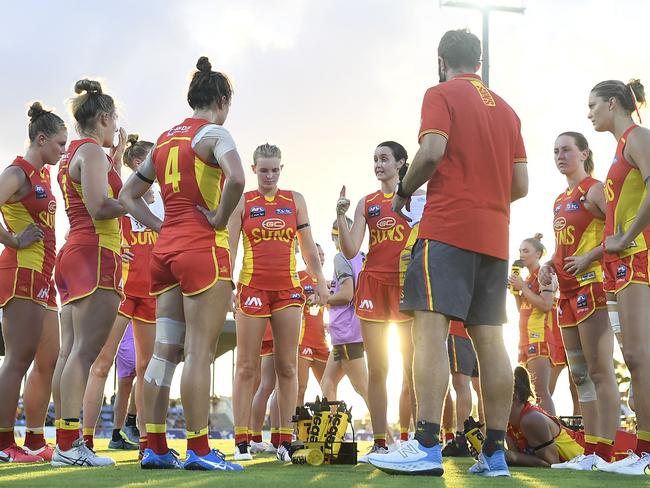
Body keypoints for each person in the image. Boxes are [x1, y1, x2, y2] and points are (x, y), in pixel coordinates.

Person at [370, 29, 528, 477]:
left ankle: (424, 444)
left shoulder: (440, 93)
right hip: (494, 235)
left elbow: (432, 150)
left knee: (429, 330)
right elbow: (521, 185)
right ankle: (495, 455)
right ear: (478, 61)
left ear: (442, 60)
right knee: (491, 338)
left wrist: (402, 191)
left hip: (448, 230)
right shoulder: (509, 111)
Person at [119, 56, 245, 471]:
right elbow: (238, 179)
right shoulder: (215, 133)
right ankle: (200, 449)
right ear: (222, 99)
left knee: (162, 353)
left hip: (166, 253)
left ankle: (153, 445)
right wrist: (219, 217)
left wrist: (159, 226)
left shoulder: (164, 139)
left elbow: (127, 194)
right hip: (202, 252)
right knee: (198, 353)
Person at [228, 142, 327, 463]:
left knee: (287, 366)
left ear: (281, 169)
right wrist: (227, 284)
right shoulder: (242, 202)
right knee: (246, 367)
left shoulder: (294, 200)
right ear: (254, 169)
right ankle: (241, 439)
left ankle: (284, 440)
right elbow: (229, 247)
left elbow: (308, 248)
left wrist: (321, 281)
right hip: (252, 288)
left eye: (275, 169)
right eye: (264, 170)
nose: (269, 175)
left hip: (288, 291)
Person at [53, 79, 127, 468]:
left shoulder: (76, 153)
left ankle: (63, 444)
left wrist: (117, 157)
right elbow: (100, 206)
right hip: (95, 252)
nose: (116, 128)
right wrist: (131, 201)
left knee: (70, 353)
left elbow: (90, 195)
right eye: (114, 121)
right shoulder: (93, 152)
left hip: (73, 251)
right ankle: (69, 446)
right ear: (103, 117)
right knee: (83, 353)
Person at [538, 131, 620, 471]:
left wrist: (590, 257)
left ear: (585, 153)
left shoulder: (596, 189)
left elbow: (618, 234)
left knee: (601, 371)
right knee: (580, 376)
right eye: (556, 150)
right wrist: (547, 265)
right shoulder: (560, 199)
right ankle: (590, 451)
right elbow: (563, 247)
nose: (560, 155)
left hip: (593, 288)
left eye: (567, 150)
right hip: (566, 295)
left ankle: (608, 452)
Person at [335, 141, 421, 458]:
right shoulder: (366, 203)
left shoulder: (417, 198)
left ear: (401, 163)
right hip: (372, 287)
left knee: (413, 370)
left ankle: (418, 439)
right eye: (375, 159)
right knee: (378, 369)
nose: (378, 164)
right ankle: (380, 441)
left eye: (384, 159)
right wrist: (341, 217)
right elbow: (350, 250)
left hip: (406, 287)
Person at [81, 134, 161, 454]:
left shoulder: (168, 199)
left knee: (146, 369)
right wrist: (117, 250)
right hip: (121, 289)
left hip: (154, 292)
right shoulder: (120, 195)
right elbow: (93, 225)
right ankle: (84, 440)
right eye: (156, 160)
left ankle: (146, 443)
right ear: (140, 164)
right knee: (101, 363)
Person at [589, 79, 650, 475]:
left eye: (593, 104)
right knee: (634, 357)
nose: (589, 112)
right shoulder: (619, 146)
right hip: (621, 262)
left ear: (613, 103)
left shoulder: (637, 135)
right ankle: (642, 449)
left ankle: (645, 453)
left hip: (639, 255)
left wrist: (627, 236)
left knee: (639, 357)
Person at [0, 102, 66, 462]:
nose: (63, 151)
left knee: (48, 359)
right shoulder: (19, 171)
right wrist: (11, 239)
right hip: (21, 272)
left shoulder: (43, 176)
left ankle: (36, 440)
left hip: (45, 277)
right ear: (40, 140)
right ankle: (3, 444)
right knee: (18, 359)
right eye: (59, 144)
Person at [509, 234, 561, 415]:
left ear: (538, 254)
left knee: (541, 392)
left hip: (540, 336)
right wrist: (517, 292)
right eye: (520, 251)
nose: (522, 255)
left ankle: (554, 433)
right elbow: (522, 309)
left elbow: (546, 305)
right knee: (525, 393)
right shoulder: (528, 277)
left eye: (526, 251)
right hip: (524, 338)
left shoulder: (545, 273)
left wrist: (522, 287)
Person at [319, 219, 369, 412]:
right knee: (327, 382)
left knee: (363, 388)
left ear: (335, 237)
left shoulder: (341, 258)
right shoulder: (362, 257)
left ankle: (386, 439)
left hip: (347, 331)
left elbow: (347, 294)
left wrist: (323, 299)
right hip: (354, 329)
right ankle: (333, 435)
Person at [442, 320, 483, 457]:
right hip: (478, 329)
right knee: (479, 387)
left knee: (461, 382)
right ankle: (483, 438)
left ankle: (461, 438)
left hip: (459, 328)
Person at [297, 244, 329, 407]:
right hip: (303, 341)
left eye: (323, 255)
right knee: (300, 388)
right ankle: (294, 431)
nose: (322, 258)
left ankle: (332, 430)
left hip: (321, 342)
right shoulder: (298, 277)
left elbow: (332, 307)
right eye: (319, 254)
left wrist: (330, 325)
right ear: (307, 256)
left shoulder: (325, 282)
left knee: (328, 388)